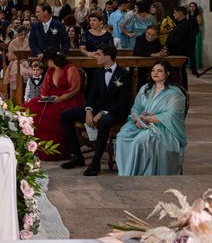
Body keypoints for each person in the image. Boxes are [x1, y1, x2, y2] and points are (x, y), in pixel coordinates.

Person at [60, 45, 131, 176]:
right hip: (97, 108)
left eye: (98, 54)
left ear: (108, 57)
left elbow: (123, 102)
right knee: (66, 115)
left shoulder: (124, 74)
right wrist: (88, 110)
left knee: (103, 122)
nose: (95, 56)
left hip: (116, 111)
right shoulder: (98, 72)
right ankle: (77, 156)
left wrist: (102, 113)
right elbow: (91, 95)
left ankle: (95, 163)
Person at [116, 60, 187, 176]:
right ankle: (126, 173)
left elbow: (171, 115)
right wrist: (136, 119)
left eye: (160, 71)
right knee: (121, 137)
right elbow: (135, 108)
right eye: (153, 70)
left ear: (167, 73)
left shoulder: (175, 93)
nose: (155, 73)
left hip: (163, 128)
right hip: (141, 124)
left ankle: (142, 175)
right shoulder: (145, 89)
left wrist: (148, 119)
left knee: (140, 141)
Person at [23, 48, 84, 161]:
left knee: (50, 115)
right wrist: (45, 97)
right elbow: (45, 89)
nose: (46, 64)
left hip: (68, 99)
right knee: (28, 108)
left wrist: (60, 98)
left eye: (47, 61)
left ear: (51, 60)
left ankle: (52, 151)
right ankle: (31, 146)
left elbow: (74, 89)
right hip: (52, 99)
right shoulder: (50, 71)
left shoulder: (70, 69)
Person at [166, 6, 191, 90]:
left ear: (180, 13)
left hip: (179, 52)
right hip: (175, 51)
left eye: (175, 13)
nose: (173, 15)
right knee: (176, 72)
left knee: (180, 73)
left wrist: (168, 45)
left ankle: (182, 90)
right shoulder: (180, 24)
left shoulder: (185, 25)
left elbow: (178, 39)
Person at [3, 25, 32, 92]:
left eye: (25, 34)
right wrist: (19, 58)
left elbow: (30, 54)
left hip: (26, 62)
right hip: (14, 62)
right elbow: (10, 57)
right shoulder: (12, 43)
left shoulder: (28, 42)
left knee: (31, 71)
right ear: (18, 34)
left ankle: (26, 90)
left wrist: (25, 60)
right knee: (19, 70)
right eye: (21, 34)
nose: (23, 36)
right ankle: (16, 90)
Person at [187, 2, 203, 75]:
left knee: (193, 54)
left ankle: (194, 70)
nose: (192, 8)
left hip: (194, 35)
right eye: (191, 6)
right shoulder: (187, 16)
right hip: (186, 35)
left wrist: (193, 35)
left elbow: (198, 25)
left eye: (193, 6)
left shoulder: (198, 16)